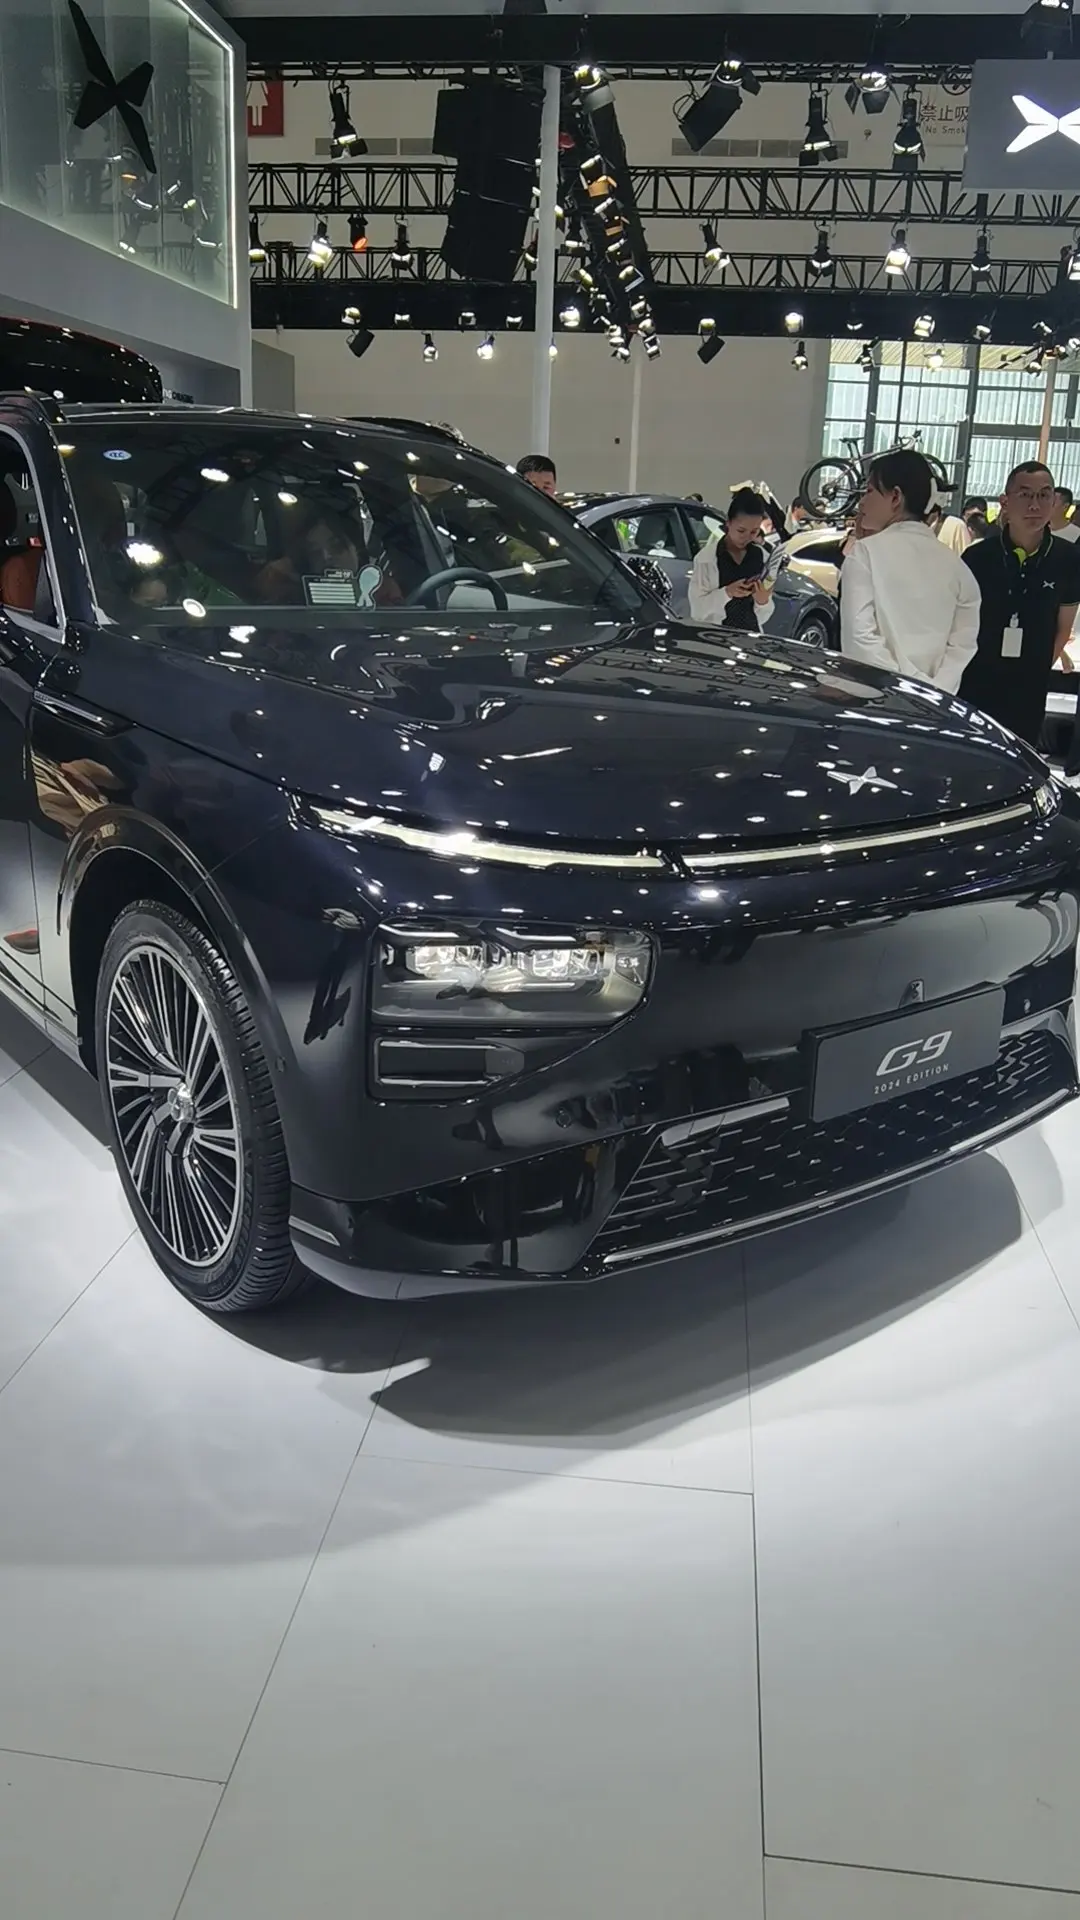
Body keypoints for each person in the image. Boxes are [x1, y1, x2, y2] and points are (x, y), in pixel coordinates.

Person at [839, 450, 981, 692]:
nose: (861, 502)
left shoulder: (865, 553)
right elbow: (962, 646)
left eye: (869, 491)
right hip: (937, 701)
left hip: (874, 696)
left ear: (895, 497)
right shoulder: (958, 567)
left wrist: (908, 686)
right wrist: (932, 690)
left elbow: (859, 638)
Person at [962, 460, 1080, 745]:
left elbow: (1063, 628)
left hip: (1029, 687)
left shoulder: (1068, 558)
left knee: (1019, 756)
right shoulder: (977, 557)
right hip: (975, 680)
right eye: (1025, 494)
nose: (1035, 505)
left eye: (1044, 495)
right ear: (1005, 502)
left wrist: (1036, 670)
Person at [688, 485, 775, 632]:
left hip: (751, 637)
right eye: (741, 530)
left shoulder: (762, 557)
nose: (747, 537)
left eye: (754, 532)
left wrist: (763, 601)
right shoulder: (706, 559)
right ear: (728, 523)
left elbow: (763, 616)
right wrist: (727, 592)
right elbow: (698, 611)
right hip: (717, 637)